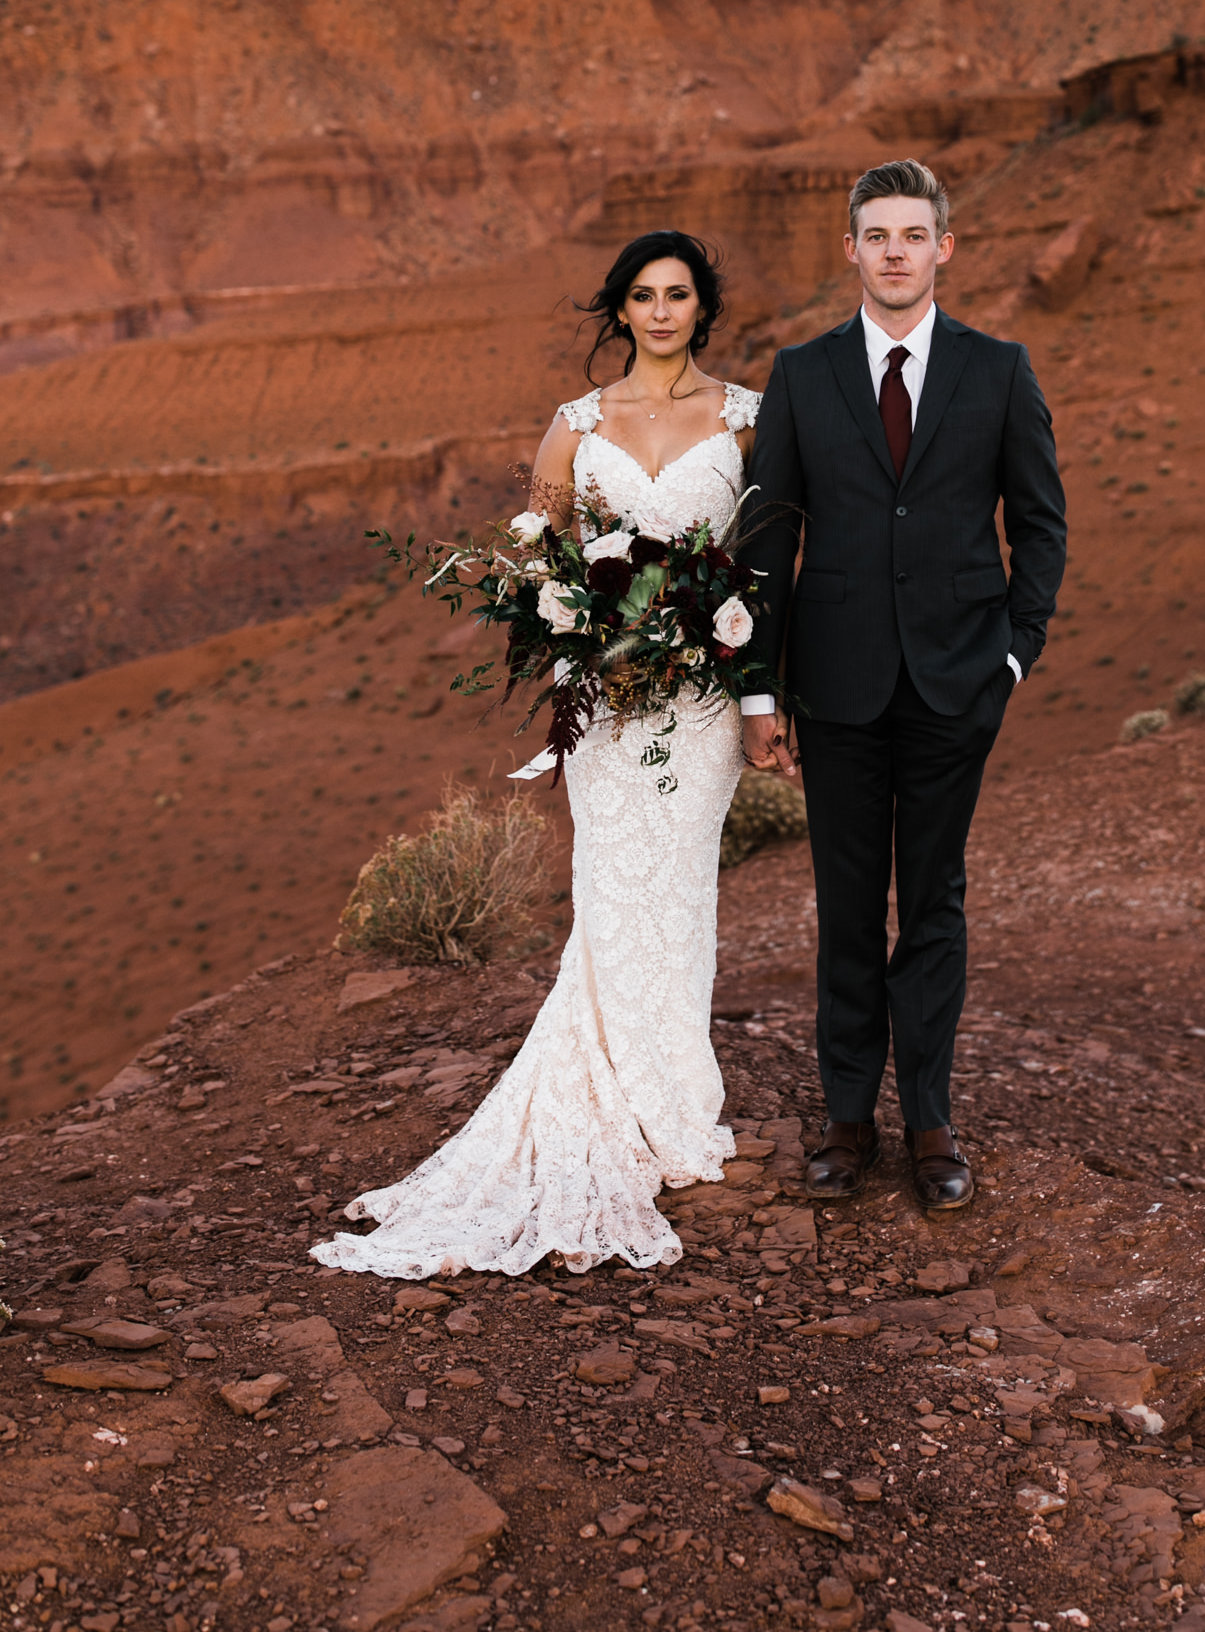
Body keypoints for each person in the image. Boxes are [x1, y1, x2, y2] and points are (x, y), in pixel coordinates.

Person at [311, 231, 759, 1279]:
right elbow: (540, 560)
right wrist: (579, 632)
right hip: (606, 705)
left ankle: (672, 1104)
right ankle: (614, 1099)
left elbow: (764, 554)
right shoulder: (575, 423)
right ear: (619, 309)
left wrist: (704, 636)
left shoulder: (745, 417)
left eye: (677, 295)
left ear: (703, 306)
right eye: (641, 296)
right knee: (611, 887)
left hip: (699, 703)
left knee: (681, 884)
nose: (659, 312)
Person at [742, 159, 1066, 1212]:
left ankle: (928, 1119)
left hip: (953, 684)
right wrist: (759, 689)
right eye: (874, 234)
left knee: (931, 903)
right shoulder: (799, 373)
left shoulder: (998, 368)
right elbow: (767, 538)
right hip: (833, 686)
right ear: (849, 249)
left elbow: (1040, 523)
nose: (892, 251)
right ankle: (846, 1117)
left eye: (910, 234)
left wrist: (1011, 652)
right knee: (845, 905)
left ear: (942, 247)